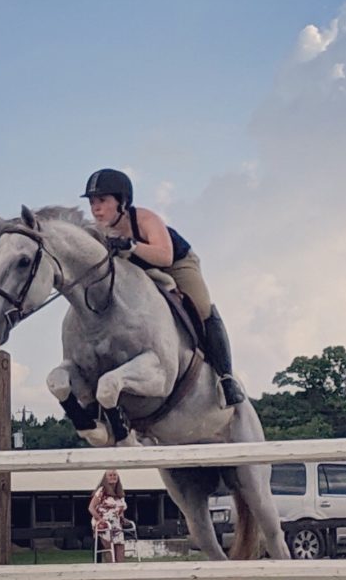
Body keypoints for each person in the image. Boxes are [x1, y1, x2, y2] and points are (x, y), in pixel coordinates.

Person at [81, 168, 246, 406]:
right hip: (140, 274)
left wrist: (131, 245)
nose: (96, 208)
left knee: (201, 307)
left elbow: (165, 256)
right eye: (93, 202)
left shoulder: (144, 218)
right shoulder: (97, 232)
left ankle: (226, 378)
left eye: (103, 201)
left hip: (177, 264)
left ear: (122, 202)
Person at [89, 469, 131, 563]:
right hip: (104, 523)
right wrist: (100, 519)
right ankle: (110, 568)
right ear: (106, 478)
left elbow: (120, 509)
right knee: (109, 547)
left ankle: (120, 570)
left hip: (116, 524)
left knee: (120, 547)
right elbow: (91, 508)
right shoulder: (102, 491)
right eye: (110, 475)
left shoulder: (119, 493)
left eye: (114, 475)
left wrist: (123, 518)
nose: (113, 477)